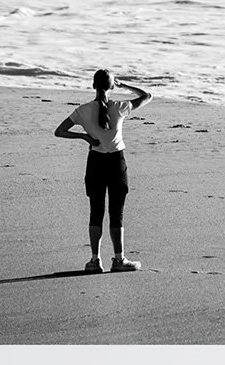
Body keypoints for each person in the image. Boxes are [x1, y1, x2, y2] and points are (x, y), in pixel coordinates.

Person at [54, 68, 152, 273]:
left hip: (95, 162)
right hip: (116, 162)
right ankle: (119, 260)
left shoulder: (82, 110)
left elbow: (60, 131)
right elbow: (147, 96)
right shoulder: (120, 107)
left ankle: (94, 260)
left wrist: (84, 137)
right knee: (117, 212)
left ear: (93, 85)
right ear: (112, 86)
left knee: (96, 211)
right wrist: (124, 85)